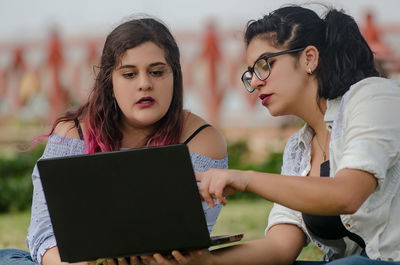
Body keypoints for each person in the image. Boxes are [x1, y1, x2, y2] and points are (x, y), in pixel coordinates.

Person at [151, 5, 400, 265]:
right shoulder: (298, 149)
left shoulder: (374, 97)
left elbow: (347, 195)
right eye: (251, 73)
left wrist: (246, 178)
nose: (255, 82)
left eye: (264, 65)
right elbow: (280, 247)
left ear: (309, 58)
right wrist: (205, 261)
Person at [0, 17, 227, 265]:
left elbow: (186, 240)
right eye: (129, 74)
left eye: (157, 72)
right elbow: (44, 236)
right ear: (110, 82)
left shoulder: (202, 141)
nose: (144, 84)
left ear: (175, 76)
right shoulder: (73, 133)